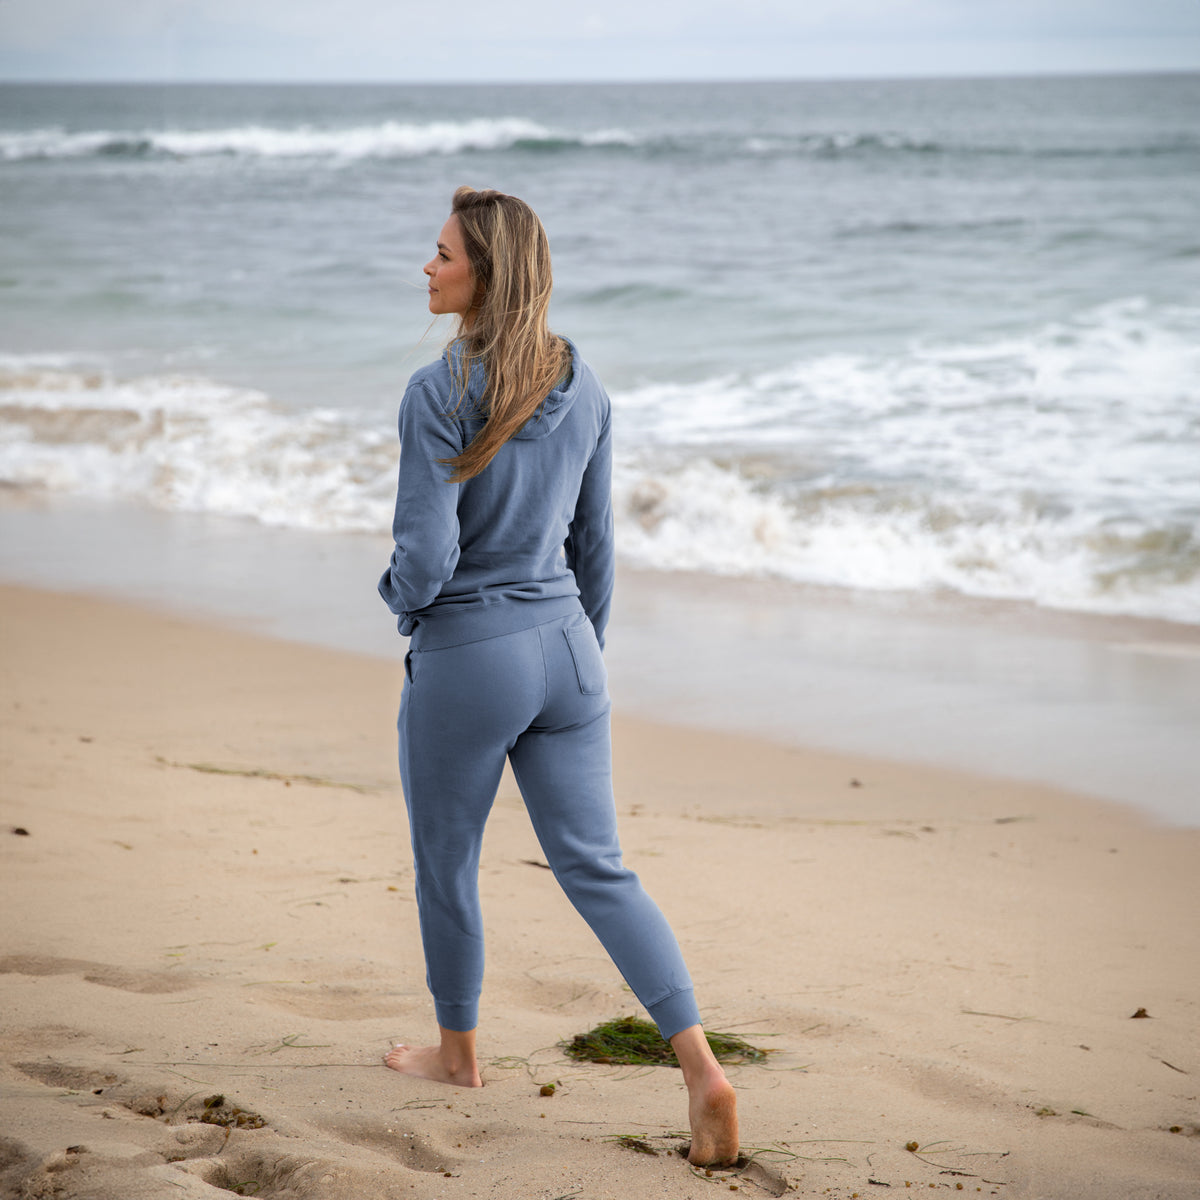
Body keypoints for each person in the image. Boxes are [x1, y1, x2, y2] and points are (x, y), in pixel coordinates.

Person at [378, 186, 738, 1168]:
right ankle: (701, 1066)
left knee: (449, 862)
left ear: (485, 273)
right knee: (599, 868)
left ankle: (457, 1057)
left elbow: (425, 555)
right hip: (570, 654)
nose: (428, 265)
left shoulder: (436, 391)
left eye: (443, 253)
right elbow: (597, 544)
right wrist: (580, 653)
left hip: (469, 653)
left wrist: (409, 614)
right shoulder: (587, 384)